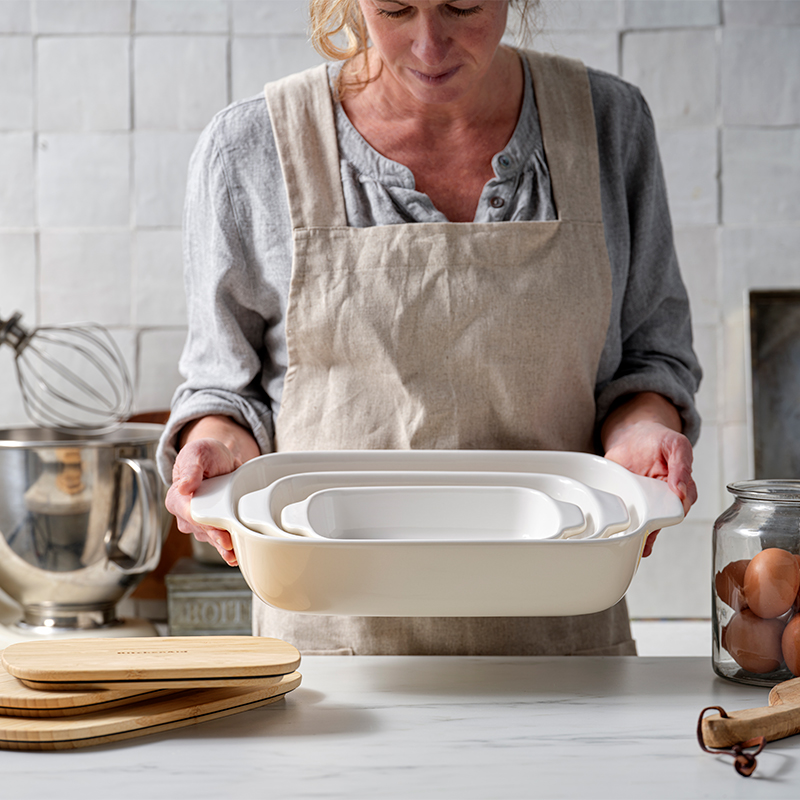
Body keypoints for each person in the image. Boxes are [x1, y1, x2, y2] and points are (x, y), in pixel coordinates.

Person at [159, 0, 702, 656]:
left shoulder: (610, 126)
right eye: (395, 9)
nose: (428, 45)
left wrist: (644, 429)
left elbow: (648, 358)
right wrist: (214, 447)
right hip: (333, 659)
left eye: (462, 6)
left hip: (562, 648)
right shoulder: (251, 149)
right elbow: (228, 391)